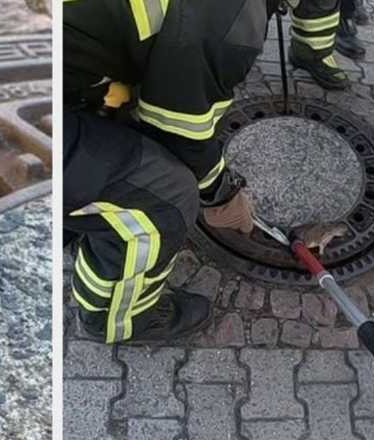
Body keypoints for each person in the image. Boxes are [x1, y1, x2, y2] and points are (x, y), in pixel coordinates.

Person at [63, 0, 271, 344]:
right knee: (166, 197)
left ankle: (74, 220)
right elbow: (179, 131)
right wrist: (221, 194)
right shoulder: (233, 16)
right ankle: (121, 319)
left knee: (117, 112)